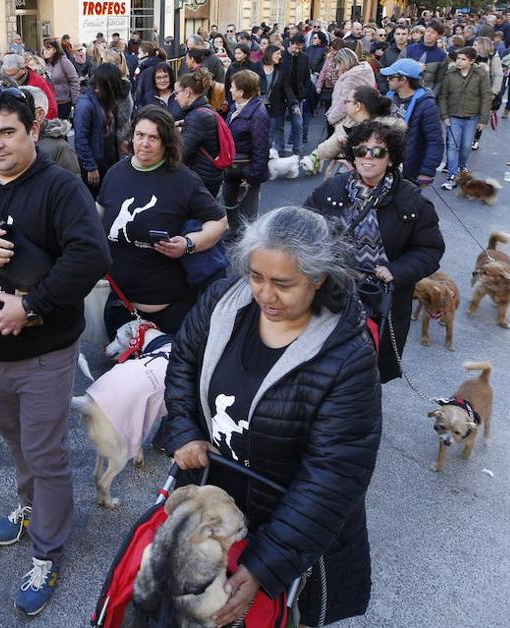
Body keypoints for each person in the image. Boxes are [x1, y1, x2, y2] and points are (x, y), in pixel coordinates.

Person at [0, 87, 110, 618]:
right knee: (18, 443)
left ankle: (48, 552)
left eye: (8, 131)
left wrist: (31, 308)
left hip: (44, 351)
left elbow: (90, 257)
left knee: (46, 452)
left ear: (33, 131)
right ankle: (32, 506)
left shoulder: (60, 189)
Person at [160, 206, 381, 626]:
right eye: (256, 276)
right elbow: (184, 362)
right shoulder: (225, 301)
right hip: (213, 498)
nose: (264, 294)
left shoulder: (347, 356)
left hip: (288, 522)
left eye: (283, 283)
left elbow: (333, 475)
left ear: (318, 279)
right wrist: (186, 430)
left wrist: (265, 566)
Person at [306, 119, 444, 382]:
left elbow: (431, 249)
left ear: (391, 159)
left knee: (366, 368)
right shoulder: (332, 189)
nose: (368, 157)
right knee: (321, 359)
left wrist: (396, 271)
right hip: (332, 293)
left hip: (379, 301)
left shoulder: (412, 200)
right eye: (361, 150)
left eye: (378, 151)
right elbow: (304, 226)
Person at [97, 105, 227, 332]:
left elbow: (219, 221)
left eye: (153, 138)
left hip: (171, 315)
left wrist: (188, 244)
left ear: (167, 142)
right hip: (120, 306)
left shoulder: (183, 180)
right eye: (140, 135)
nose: (144, 143)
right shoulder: (116, 172)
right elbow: (99, 212)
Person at [434, 48, 491, 190]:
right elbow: (443, 96)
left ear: (472, 61)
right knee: (453, 145)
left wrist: (483, 119)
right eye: (458, 58)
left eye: (463, 59)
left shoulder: (481, 74)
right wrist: (445, 115)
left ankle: (461, 166)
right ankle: (452, 175)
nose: (459, 61)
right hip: (453, 116)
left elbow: (486, 97)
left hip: (472, 117)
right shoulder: (450, 74)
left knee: (466, 146)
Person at [224, 70, 271, 230]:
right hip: (233, 168)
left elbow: (261, 149)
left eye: (232, 87)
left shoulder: (259, 114)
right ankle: (234, 234)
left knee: (248, 214)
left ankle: (247, 245)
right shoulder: (235, 107)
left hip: (247, 172)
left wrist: (252, 178)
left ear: (242, 92)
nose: (229, 90)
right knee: (229, 205)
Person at [73, 63, 126, 193]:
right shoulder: (86, 105)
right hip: (96, 166)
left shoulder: (106, 100)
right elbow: (81, 140)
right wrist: (90, 167)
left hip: (109, 161)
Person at [176, 68, 224, 195]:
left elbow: (184, 152)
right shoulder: (202, 111)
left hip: (202, 178)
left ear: (187, 92)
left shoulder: (197, 117)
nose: (176, 97)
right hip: (207, 175)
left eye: (177, 93)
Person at [2, 53, 59, 119]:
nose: (10, 78)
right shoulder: (6, 82)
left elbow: (52, 108)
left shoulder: (39, 82)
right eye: (7, 75)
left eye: (12, 75)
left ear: (22, 70)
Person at [43, 38, 80, 118]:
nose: (45, 51)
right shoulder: (44, 64)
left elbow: (74, 80)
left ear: (55, 50)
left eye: (48, 48)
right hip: (50, 102)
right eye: (44, 48)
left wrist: (75, 101)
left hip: (64, 102)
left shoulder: (64, 61)